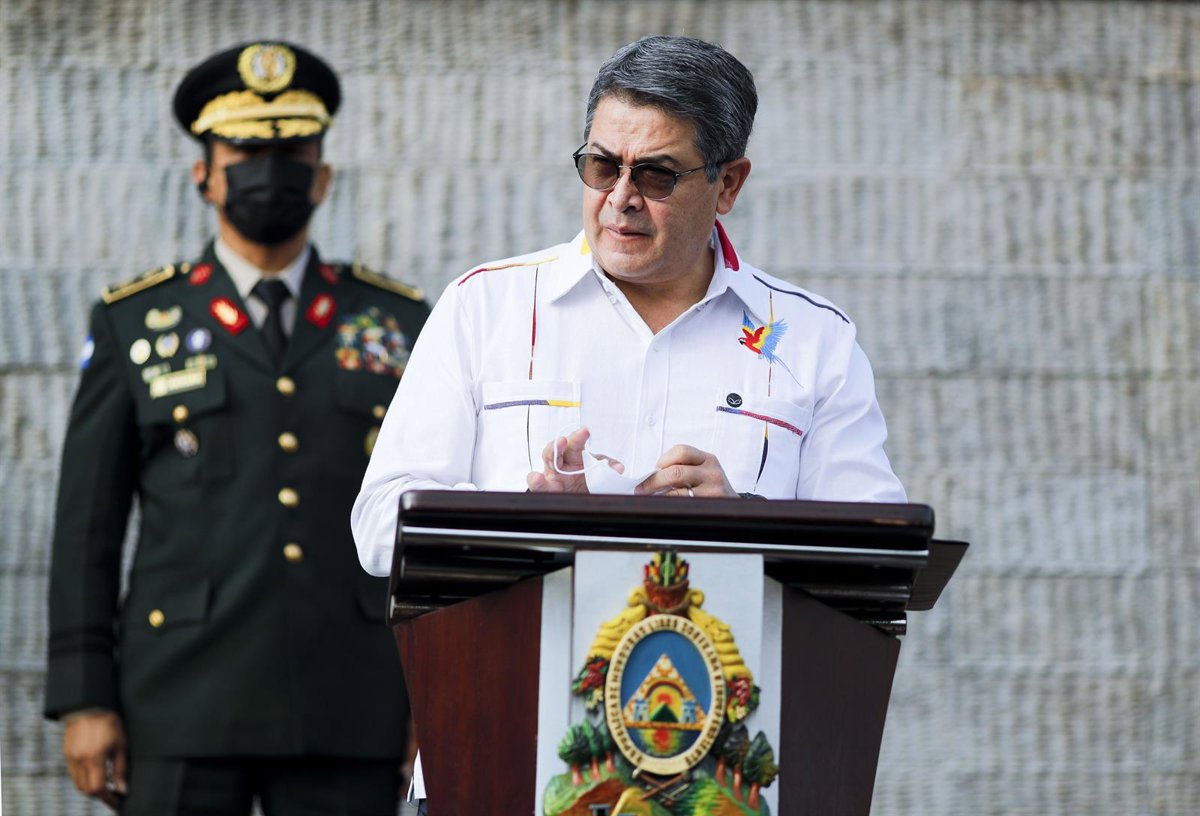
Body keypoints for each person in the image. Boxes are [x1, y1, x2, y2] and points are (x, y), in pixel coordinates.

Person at [352, 34, 906, 582]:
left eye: (656, 175)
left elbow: (880, 555)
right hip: (517, 638)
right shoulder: (484, 306)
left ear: (728, 184)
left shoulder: (814, 338)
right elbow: (379, 526)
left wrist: (743, 523)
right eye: (602, 166)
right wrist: (529, 519)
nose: (620, 198)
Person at [45, 41, 429, 815]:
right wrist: (84, 697)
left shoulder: (395, 322)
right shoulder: (135, 323)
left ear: (322, 176)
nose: (269, 171)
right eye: (247, 153)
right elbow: (88, 527)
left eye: (292, 153)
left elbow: (427, 524)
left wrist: (434, 694)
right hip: (182, 701)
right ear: (205, 174)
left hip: (350, 702)